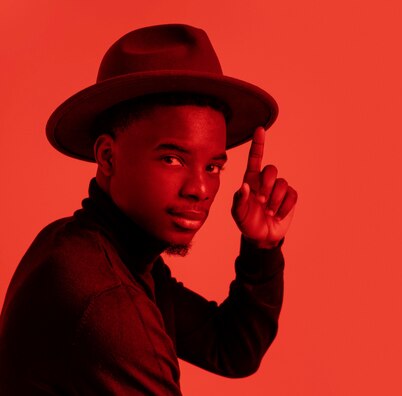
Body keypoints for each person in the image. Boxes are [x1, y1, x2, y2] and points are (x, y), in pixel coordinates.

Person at [0, 24, 297, 394]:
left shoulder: (85, 247)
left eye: (213, 167)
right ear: (108, 156)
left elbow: (231, 350)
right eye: (172, 158)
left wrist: (261, 248)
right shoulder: (109, 301)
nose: (200, 189)